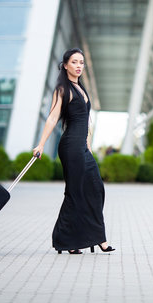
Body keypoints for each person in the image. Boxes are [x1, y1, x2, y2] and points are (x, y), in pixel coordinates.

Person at [32, 48, 115, 254]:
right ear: (66, 65)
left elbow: (86, 122)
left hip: (82, 148)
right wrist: (41, 144)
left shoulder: (81, 89)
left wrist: (88, 146)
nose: (79, 66)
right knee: (75, 192)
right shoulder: (62, 89)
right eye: (75, 62)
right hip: (70, 147)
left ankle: (95, 237)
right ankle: (68, 240)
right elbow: (52, 117)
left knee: (96, 189)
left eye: (82, 63)